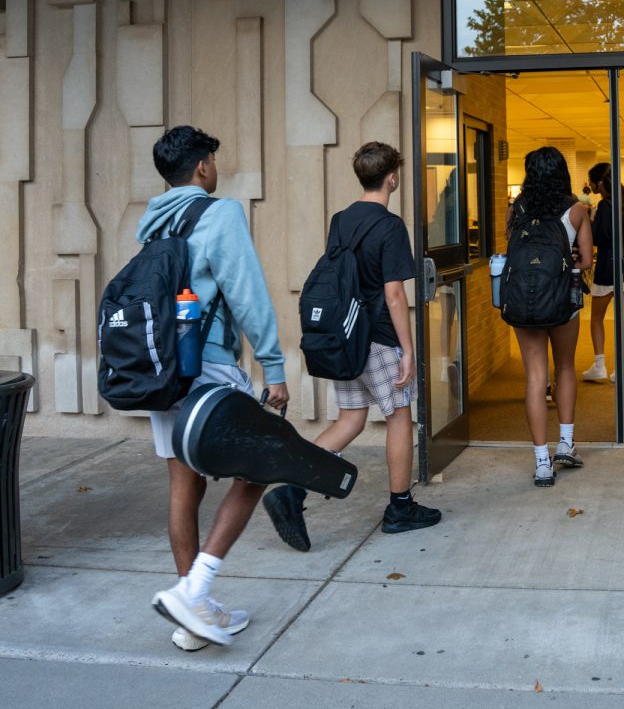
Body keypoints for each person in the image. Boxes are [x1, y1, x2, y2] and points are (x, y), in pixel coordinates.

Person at [140, 126, 290, 650]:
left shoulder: (153, 223)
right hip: (209, 368)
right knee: (258, 468)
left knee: (184, 487)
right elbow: (246, 292)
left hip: (163, 374)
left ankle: (191, 618)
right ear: (202, 166)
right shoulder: (219, 212)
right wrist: (274, 366)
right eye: (213, 162)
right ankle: (196, 590)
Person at [262, 142, 440, 553]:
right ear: (392, 176)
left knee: (351, 419)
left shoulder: (341, 220)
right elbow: (394, 294)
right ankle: (400, 507)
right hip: (378, 337)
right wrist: (408, 349)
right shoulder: (391, 226)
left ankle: (291, 488)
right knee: (399, 417)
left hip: (346, 337)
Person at [508, 147, 593, 486]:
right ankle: (566, 445)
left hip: (523, 300)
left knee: (534, 376)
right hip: (561, 298)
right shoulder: (577, 211)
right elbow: (585, 262)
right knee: (566, 367)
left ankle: (542, 463)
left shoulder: (516, 210)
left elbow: (513, 250)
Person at [581, 162, 624, 385]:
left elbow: (599, 238)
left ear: (599, 183)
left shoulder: (605, 206)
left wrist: (588, 220)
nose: (589, 185)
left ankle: (599, 366)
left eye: (591, 180)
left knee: (597, 317)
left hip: (608, 267)